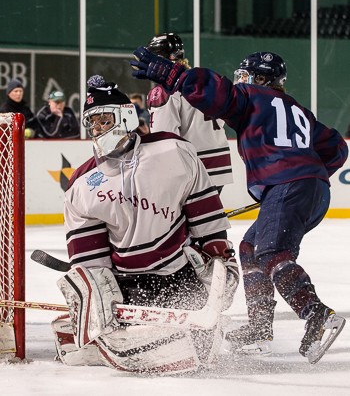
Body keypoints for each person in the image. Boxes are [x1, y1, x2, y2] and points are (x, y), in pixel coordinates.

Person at [130, 48, 349, 364]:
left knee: (273, 253)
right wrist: (308, 175)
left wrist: (174, 75)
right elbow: (337, 148)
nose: (240, 82)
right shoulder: (297, 109)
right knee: (249, 247)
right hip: (308, 188)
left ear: (261, 79)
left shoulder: (252, 97)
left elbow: (218, 94)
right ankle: (260, 329)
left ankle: (318, 315)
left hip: (291, 186)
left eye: (245, 76)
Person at [51, 74, 239, 375]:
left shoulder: (174, 151)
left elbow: (207, 221)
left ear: (126, 116)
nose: (97, 130)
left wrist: (220, 260)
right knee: (147, 349)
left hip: (179, 275)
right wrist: (96, 292)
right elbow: (91, 260)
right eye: (92, 123)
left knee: (204, 353)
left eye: (104, 120)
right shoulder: (82, 186)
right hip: (128, 286)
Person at [146, 33, 233, 194]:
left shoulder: (164, 91)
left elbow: (165, 136)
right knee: (208, 218)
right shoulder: (203, 80)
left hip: (192, 168)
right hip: (218, 163)